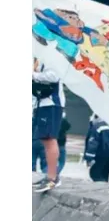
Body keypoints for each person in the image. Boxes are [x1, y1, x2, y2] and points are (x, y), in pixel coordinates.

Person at [32, 58, 65, 192]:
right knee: (45, 139)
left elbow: (54, 76)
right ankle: (50, 176)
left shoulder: (50, 56)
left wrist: (32, 74)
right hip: (42, 103)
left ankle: (52, 178)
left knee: (49, 139)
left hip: (51, 103)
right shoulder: (38, 57)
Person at [83, 114, 109, 182]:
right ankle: (105, 186)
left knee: (95, 174)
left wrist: (88, 158)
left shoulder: (97, 127)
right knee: (105, 173)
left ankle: (100, 187)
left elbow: (92, 143)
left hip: (100, 154)